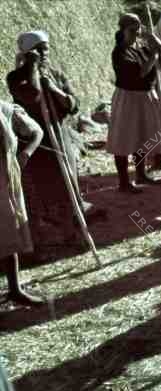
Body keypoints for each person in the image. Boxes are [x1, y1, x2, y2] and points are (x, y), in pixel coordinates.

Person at [7, 31, 83, 248]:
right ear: (28, 53)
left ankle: (73, 232)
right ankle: (44, 239)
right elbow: (31, 95)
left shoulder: (56, 75)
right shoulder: (15, 78)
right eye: (38, 49)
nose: (44, 53)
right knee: (47, 188)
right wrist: (31, 68)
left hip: (61, 137)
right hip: (40, 145)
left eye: (46, 48)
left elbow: (73, 105)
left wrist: (55, 89)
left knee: (69, 185)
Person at [106, 13, 161, 193]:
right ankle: (123, 182)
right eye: (132, 29)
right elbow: (140, 72)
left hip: (143, 96)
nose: (136, 32)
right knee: (124, 139)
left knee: (142, 136)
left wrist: (156, 41)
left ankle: (141, 174)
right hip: (127, 98)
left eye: (138, 29)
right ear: (123, 30)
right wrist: (154, 55)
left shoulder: (141, 47)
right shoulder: (120, 52)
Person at [0, 101, 44, 306]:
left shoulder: (5, 110)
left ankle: (15, 289)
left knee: (8, 230)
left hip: (3, 180)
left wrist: (26, 153)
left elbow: (37, 131)